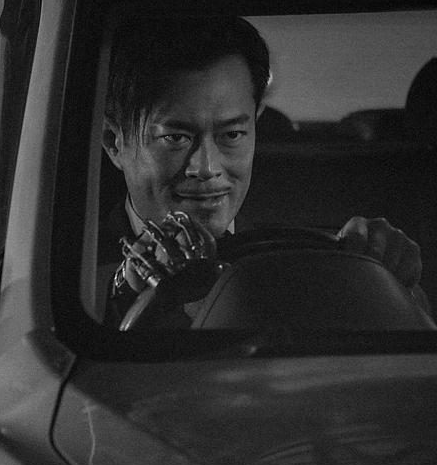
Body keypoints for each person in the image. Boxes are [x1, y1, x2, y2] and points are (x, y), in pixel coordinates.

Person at [99, 16, 425, 326]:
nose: (207, 168)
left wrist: (388, 279)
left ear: (255, 124)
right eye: (175, 138)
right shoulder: (76, 274)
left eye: (232, 134)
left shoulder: (303, 259)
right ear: (115, 142)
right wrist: (121, 288)